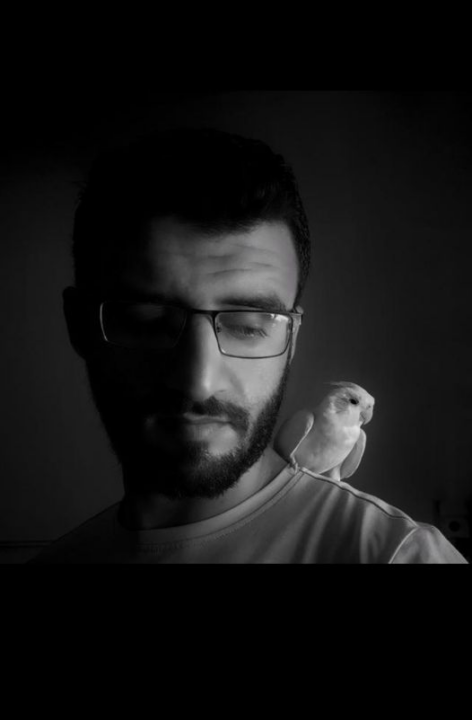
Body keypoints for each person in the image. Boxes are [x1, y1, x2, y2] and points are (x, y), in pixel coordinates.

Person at [28, 128, 468, 563]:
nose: (198, 382)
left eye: (249, 326)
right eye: (148, 321)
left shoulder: (397, 556)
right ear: (79, 326)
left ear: (291, 339)